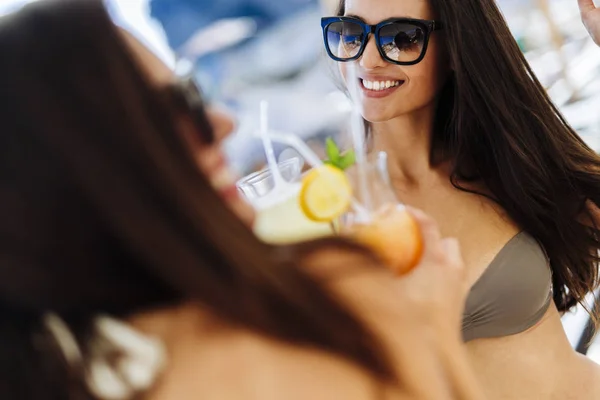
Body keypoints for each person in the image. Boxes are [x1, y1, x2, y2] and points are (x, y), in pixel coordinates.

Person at [0, 1, 485, 399]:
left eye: (193, 92)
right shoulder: (291, 331)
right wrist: (432, 324)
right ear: (89, 171)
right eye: (178, 106)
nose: (222, 123)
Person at [322, 0, 600, 398]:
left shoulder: (507, 160)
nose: (367, 60)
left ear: (455, 49)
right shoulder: (330, 210)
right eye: (351, 33)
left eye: (400, 38)